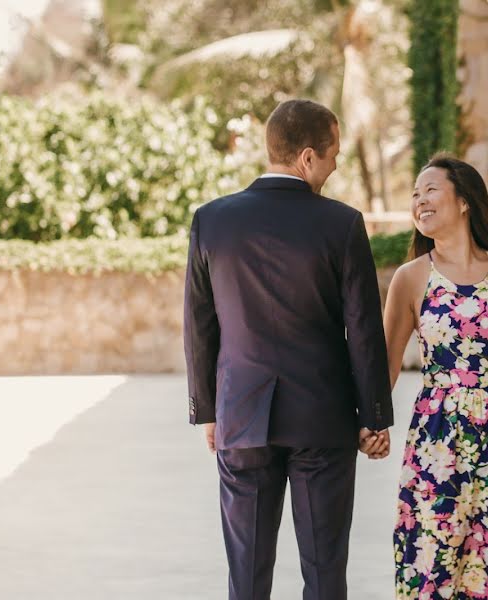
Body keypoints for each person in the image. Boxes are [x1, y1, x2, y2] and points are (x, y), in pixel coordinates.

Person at [183, 98, 393, 600]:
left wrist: (208, 410)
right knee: (324, 574)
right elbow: (362, 326)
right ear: (306, 157)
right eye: (333, 154)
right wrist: (374, 415)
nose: (337, 164)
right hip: (323, 418)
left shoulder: (211, 221)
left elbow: (198, 325)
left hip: (242, 416)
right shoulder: (342, 224)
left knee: (247, 575)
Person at [383, 155, 488, 599]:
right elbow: (386, 362)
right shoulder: (409, 279)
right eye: (414, 194)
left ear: (464, 201)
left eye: (430, 189)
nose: (419, 200)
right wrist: (372, 423)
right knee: (433, 559)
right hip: (437, 438)